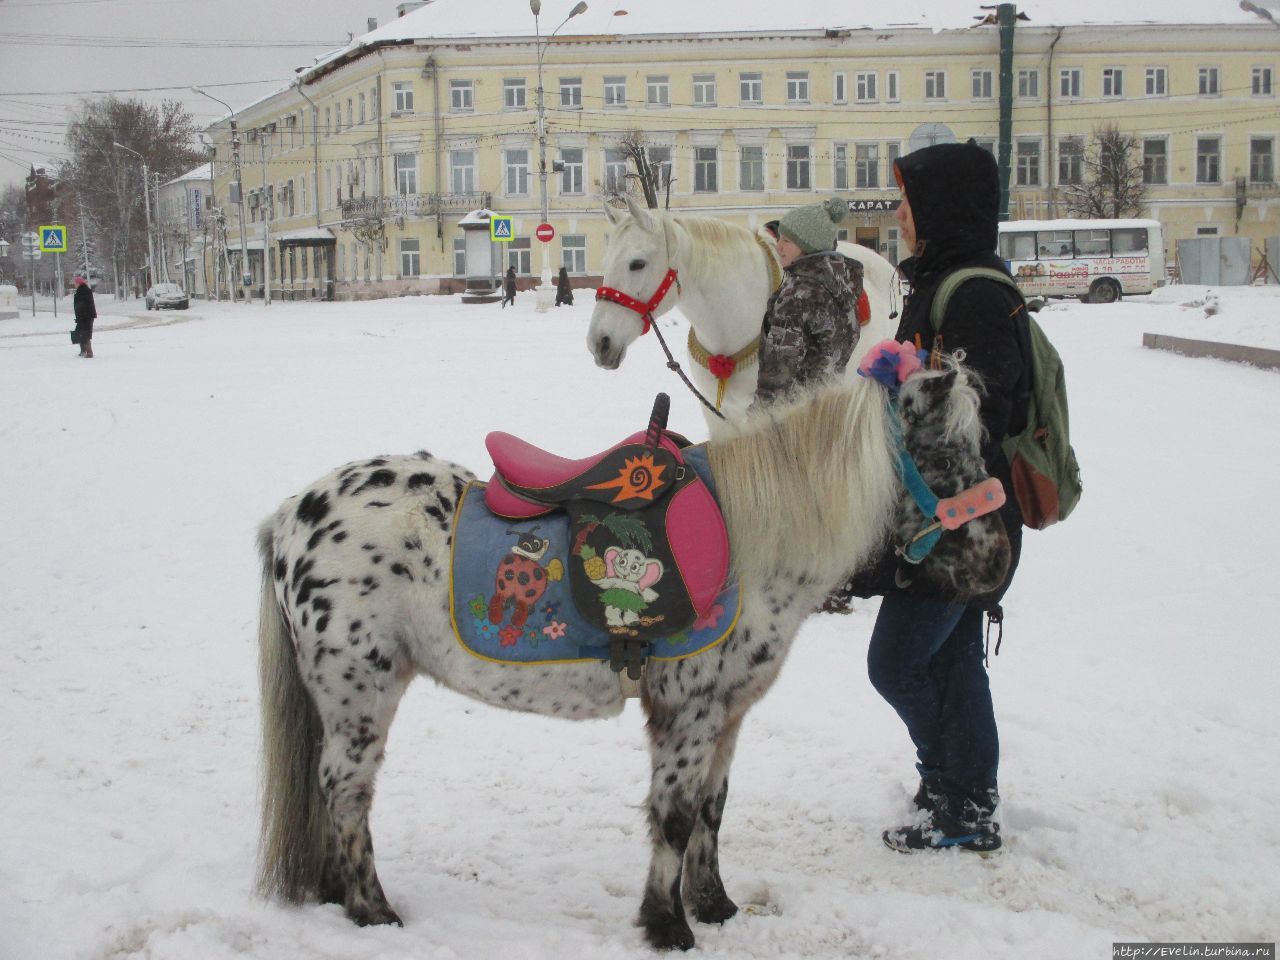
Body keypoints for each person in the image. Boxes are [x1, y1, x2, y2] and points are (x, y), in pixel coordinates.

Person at [853, 140, 1029, 855]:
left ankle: (958, 794)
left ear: (941, 207)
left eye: (908, 200)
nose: (899, 213)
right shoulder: (942, 279)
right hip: (938, 512)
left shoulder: (978, 292)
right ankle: (959, 798)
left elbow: (990, 407)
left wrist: (911, 384)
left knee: (895, 664)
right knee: (952, 660)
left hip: (962, 519)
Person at [753, 197, 863, 406]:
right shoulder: (842, 287)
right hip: (828, 410)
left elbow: (777, 377)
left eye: (787, 240)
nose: (779, 247)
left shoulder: (797, 296)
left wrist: (756, 423)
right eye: (779, 239)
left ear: (808, 245)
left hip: (793, 421)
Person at [72, 275, 97, 358]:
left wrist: (81, 315)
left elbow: (84, 305)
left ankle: (89, 353)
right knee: (80, 333)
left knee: (85, 333)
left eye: (75, 283)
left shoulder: (83, 291)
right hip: (84, 316)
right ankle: (83, 351)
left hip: (85, 316)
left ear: (79, 283)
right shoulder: (82, 290)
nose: (74, 284)